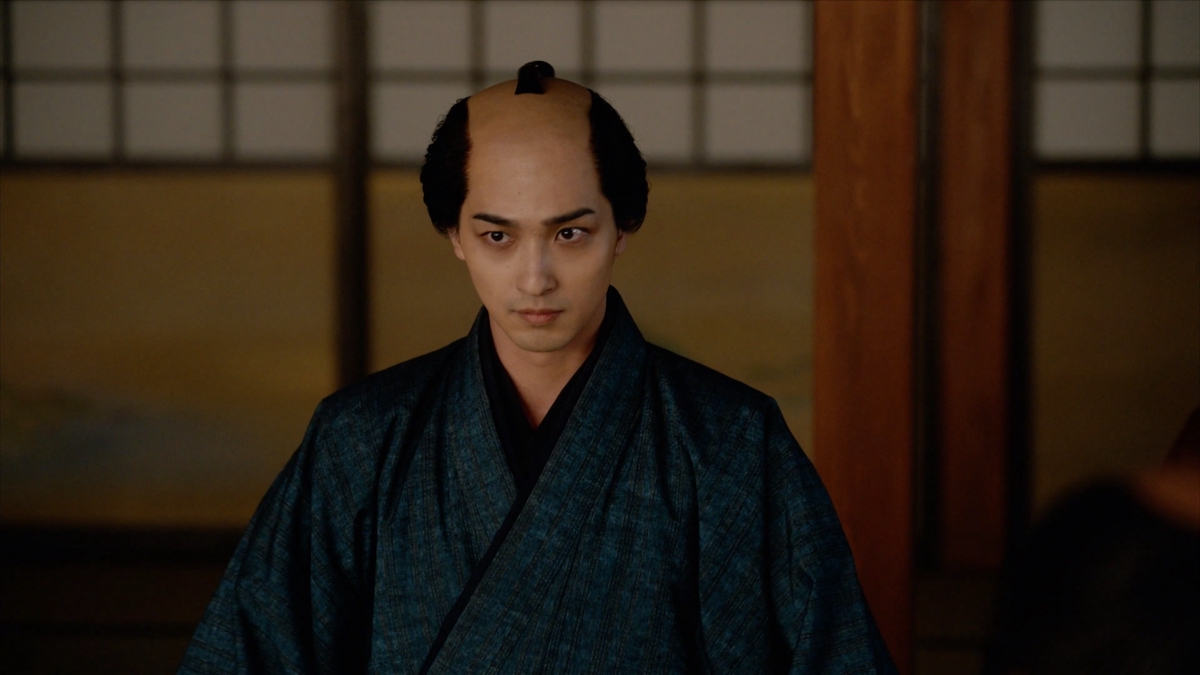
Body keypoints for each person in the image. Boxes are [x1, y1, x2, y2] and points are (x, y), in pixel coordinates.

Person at [179, 62, 894, 674]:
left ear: (623, 227)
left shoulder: (730, 443)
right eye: (498, 236)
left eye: (570, 233)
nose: (535, 278)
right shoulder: (361, 439)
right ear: (454, 234)